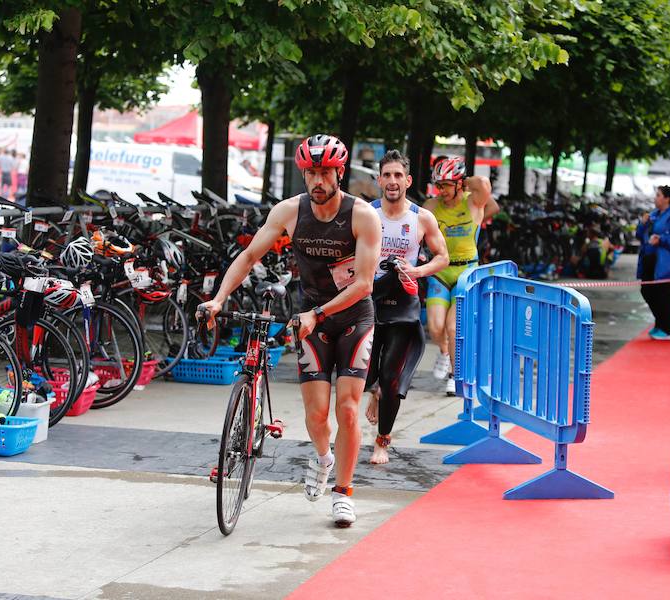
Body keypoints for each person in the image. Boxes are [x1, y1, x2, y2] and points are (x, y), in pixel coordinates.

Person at [198, 134, 381, 528]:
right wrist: (218, 298)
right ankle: (323, 458)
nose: (317, 180)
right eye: (311, 172)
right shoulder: (290, 212)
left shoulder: (363, 215)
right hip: (311, 320)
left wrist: (317, 311)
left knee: (347, 409)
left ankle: (344, 492)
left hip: (353, 317)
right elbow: (249, 256)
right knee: (317, 415)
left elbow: (364, 283)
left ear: (339, 173)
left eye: (325, 173)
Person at [364, 150, 449, 464]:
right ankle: (375, 390)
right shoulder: (366, 214)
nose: (392, 181)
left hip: (403, 306)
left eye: (398, 175)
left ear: (408, 180)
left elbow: (443, 257)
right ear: (379, 180)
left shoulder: (421, 217)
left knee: (392, 377)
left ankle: (382, 442)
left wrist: (417, 271)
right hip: (369, 303)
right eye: (387, 175)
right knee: (366, 374)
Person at [423, 157, 499, 396]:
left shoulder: (474, 201)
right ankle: (445, 353)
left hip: (466, 272)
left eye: (446, 185)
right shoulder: (432, 205)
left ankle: (455, 376)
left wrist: (463, 180)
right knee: (435, 328)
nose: (441, 190)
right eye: (438, 185)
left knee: (453, 327)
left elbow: (484, 183)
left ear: (460, 184)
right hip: (441, 270)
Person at [636, 186, 670, 340]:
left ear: (667, 198)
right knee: (647, 291)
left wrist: (662, 239)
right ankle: (660, 324)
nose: (655, 198)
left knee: (662, 295)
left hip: (666, 263)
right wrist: (643, 224)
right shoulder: (654, 215)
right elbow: (640, 235)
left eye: (658, 195)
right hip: (650, 260)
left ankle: (668, 329)